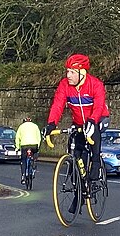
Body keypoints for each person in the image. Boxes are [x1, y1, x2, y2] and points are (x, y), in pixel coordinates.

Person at [44, 53, 106, 181]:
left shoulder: (95, 84)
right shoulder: (64, 85)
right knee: (76, 148)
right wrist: (51, 124)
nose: (68, 76)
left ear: (82, 73)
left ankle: (96, 163)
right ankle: (79, 185)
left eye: (72, 72)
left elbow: (99, 106)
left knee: (93, 132)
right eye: (67, 71)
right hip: (78, 122)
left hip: (98, 118)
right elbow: (57, 105)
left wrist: (92, 121)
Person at [15, 115, 42, 184]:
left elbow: (17, 138)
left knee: (23, 161)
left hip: (24, 145)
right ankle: (33, 166)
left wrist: (17, 147)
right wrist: (38, 147)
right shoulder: (35, 126)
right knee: (34, 156)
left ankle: (23, 176)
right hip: (34, 145)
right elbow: (39, 138)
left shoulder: (21, 127)